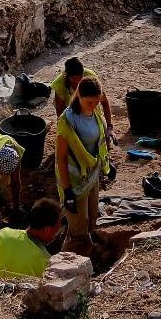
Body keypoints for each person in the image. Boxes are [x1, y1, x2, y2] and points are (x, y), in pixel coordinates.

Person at [55, 77, 111, 256]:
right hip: (74, 181)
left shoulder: (95, 114)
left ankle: (86, 252)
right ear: (79, 96)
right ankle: (69, 263)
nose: (94, 105)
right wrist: (67, 191)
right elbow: (61, 158)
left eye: (97, 101)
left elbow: (99, 143)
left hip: (91, 175)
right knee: (79, 228)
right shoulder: (68, 121)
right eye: (90, 102)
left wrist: (106, 163)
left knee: (92, 218)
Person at [0, 197, 63, 279]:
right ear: (47, 229)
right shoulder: (46, 260)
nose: (56, 234)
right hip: (16, 295)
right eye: (56, 229)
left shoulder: (4, 233)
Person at [51, 57, 117, 144]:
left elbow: (104, 102)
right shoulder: (60, 84)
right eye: (74, 79)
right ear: (67, 77)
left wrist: (109, 127)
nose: (78, 83)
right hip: (71, 112)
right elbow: (60, 112)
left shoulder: (90, 77)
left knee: (105, 141)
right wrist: (66, 130)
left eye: (80, 78)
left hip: (91, 111)